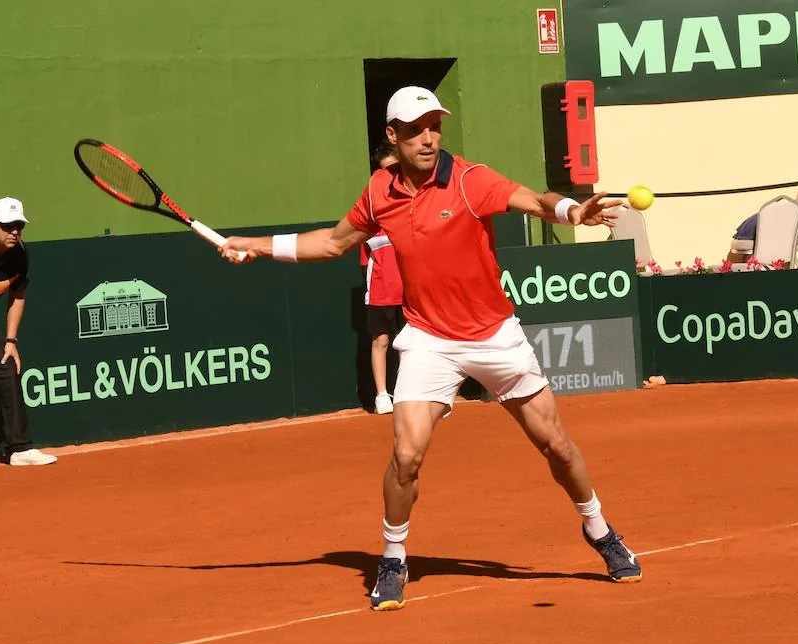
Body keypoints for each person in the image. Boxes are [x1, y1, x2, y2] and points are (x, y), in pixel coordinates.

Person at [221, 86, 640, 610]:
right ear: (392, 137)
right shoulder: (379, 192)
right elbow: (331, 243)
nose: (429, 137)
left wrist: (574, 211)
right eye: (416, 129)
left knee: (555, 446)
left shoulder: (469, 180)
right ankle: (393, 559)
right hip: (429, 340)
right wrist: (254, 246)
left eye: (435, 126)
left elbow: (534, 200)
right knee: (405, 455)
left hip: (495, 337)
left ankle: (599, 529)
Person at [0, 198, 57, 466]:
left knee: (7, 366)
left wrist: (11, 340)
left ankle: (20, 449)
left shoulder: (20, 254)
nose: (15, 231)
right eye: (7, 226)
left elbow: (18, 296)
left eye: (19, 226)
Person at [359, 141, 403, 414]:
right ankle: (382, 396)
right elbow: (367, 264)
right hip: (380, 294)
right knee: (382, 341)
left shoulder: (410, 210)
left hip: (412, 293)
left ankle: (410, 394)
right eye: (385, 171)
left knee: (410, 345)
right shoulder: (371, 217)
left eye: (395, 169)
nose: (391, 176)